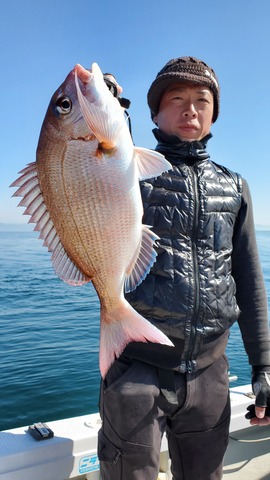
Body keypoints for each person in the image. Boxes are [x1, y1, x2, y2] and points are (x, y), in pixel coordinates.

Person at [98, 57, 270, 480]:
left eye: (201, 100)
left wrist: (264, 365)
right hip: (137, 370)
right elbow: (98, 167)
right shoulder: (133, 175)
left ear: (213, 113)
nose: (190, 109)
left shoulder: (235, 186)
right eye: (176, 99)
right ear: (154, 112)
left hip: (211, 374)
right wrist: (106, 114)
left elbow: (248, 280)